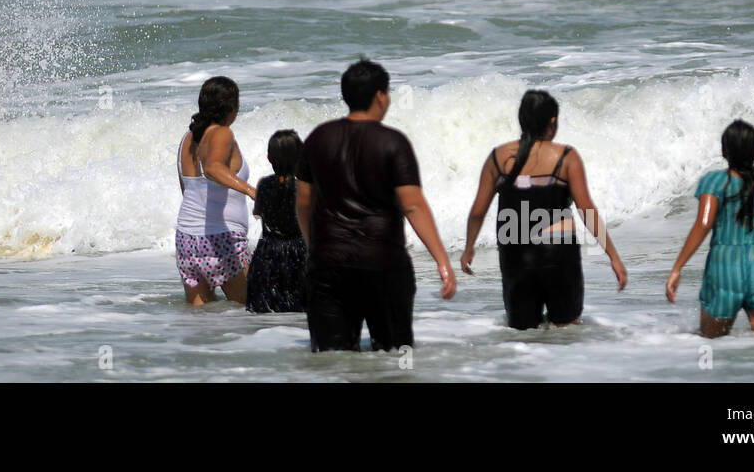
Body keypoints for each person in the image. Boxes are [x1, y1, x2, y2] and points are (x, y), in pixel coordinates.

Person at [296, 59, 455, 352]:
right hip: (383, 262)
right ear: (381, 96)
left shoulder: (318, 138)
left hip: (329, 264)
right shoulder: (392, 142)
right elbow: (413, 206)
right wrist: (442, 261)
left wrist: (315, 246)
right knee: (398, 353)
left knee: (332, 359)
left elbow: (303, 202)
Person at [460, 89, 627, 330]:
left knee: (523, 334)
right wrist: (613, 256)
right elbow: (586, 210)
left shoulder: (498, 158)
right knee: (567, 330)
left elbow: (477, 211)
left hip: (515, 252)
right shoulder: (566, 157)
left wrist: (468, 249)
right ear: (552, 122)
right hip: (558, 252)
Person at [666, 119, 754, 337]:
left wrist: (677, 268)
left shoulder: (715, 182)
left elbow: (704, 224)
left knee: (713, 347)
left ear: (724, 152)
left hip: (723, 271)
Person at [175, 76, 256, 306]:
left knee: (201, 322)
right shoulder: (222, 133)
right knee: (250, 309)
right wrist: (251, 190)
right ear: (232, 107)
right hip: (221, 241)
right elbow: (213, 168)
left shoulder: (186, 139)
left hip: (186, 241)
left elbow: (187, 190)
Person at [246, 130, 308, 314]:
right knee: (298, 308)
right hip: (298, 252)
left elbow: (257, 212)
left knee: (266, 307)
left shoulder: (263, 184)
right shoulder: (303, 189)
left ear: (268, 158)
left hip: (267, 252)